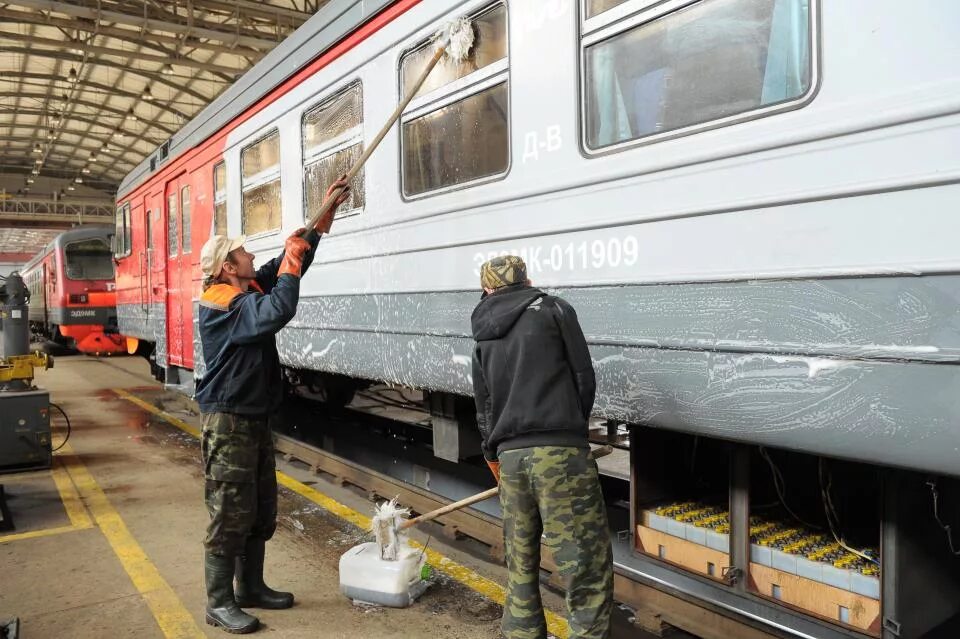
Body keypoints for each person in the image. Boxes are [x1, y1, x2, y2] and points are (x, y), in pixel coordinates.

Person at [195, 178, 349, 634]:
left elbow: (290, 263)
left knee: (259, 508)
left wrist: (323, 214)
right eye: (243, 253)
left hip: (252, 418)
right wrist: (292, 263)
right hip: (229, 422)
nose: (251, 257)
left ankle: (251, 588)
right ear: (227, 267)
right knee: (229, 511)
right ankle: (219, 601)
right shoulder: (223, 303)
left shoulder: (244, 290)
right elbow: (280, 307)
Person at [470, 255, 613, 639]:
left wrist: (492, 455)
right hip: (560, 452)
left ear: (487, 289)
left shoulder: (482, 332)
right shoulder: (554, 310)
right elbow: (584, 377)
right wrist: (572, 430)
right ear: (527, 279)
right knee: (585, 566)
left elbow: (483, 406)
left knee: (520, 566)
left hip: (511, 458)